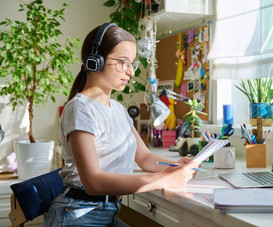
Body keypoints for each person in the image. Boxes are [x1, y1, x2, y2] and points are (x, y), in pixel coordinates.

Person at [45, 23, 199, 227]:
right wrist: (167, 179)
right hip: (78, 214)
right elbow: (93, 182)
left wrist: (176, 166)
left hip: (107, 213)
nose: (130, 72)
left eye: (132, 64)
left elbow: (144, 158)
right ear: (95, 61)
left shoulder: (117, 109)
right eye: (123, 62)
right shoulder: (80, 109)